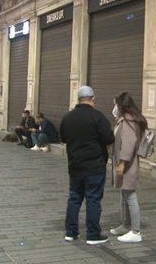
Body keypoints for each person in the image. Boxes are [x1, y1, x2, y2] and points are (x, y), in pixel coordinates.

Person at [60, 86, 115, 245]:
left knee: (74, 197)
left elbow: (63, 138)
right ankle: (92, 234)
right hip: (94, 166)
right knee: (93, 199)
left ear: (78, 99)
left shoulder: (68, 117)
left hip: (75, 165)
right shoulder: (97, 117)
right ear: (93, 99)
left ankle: (71, 232)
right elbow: (109, 138)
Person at [109, 92, 147, 243]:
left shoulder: (128, 122)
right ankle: (126, 224)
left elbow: (129, 145)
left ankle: (135, 231)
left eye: (116, 104)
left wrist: (122, 164)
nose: (114, 108)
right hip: (125, 164)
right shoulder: (125, 120)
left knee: (130, 197)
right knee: (124, 195)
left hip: (127, 165)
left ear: (122, 106)